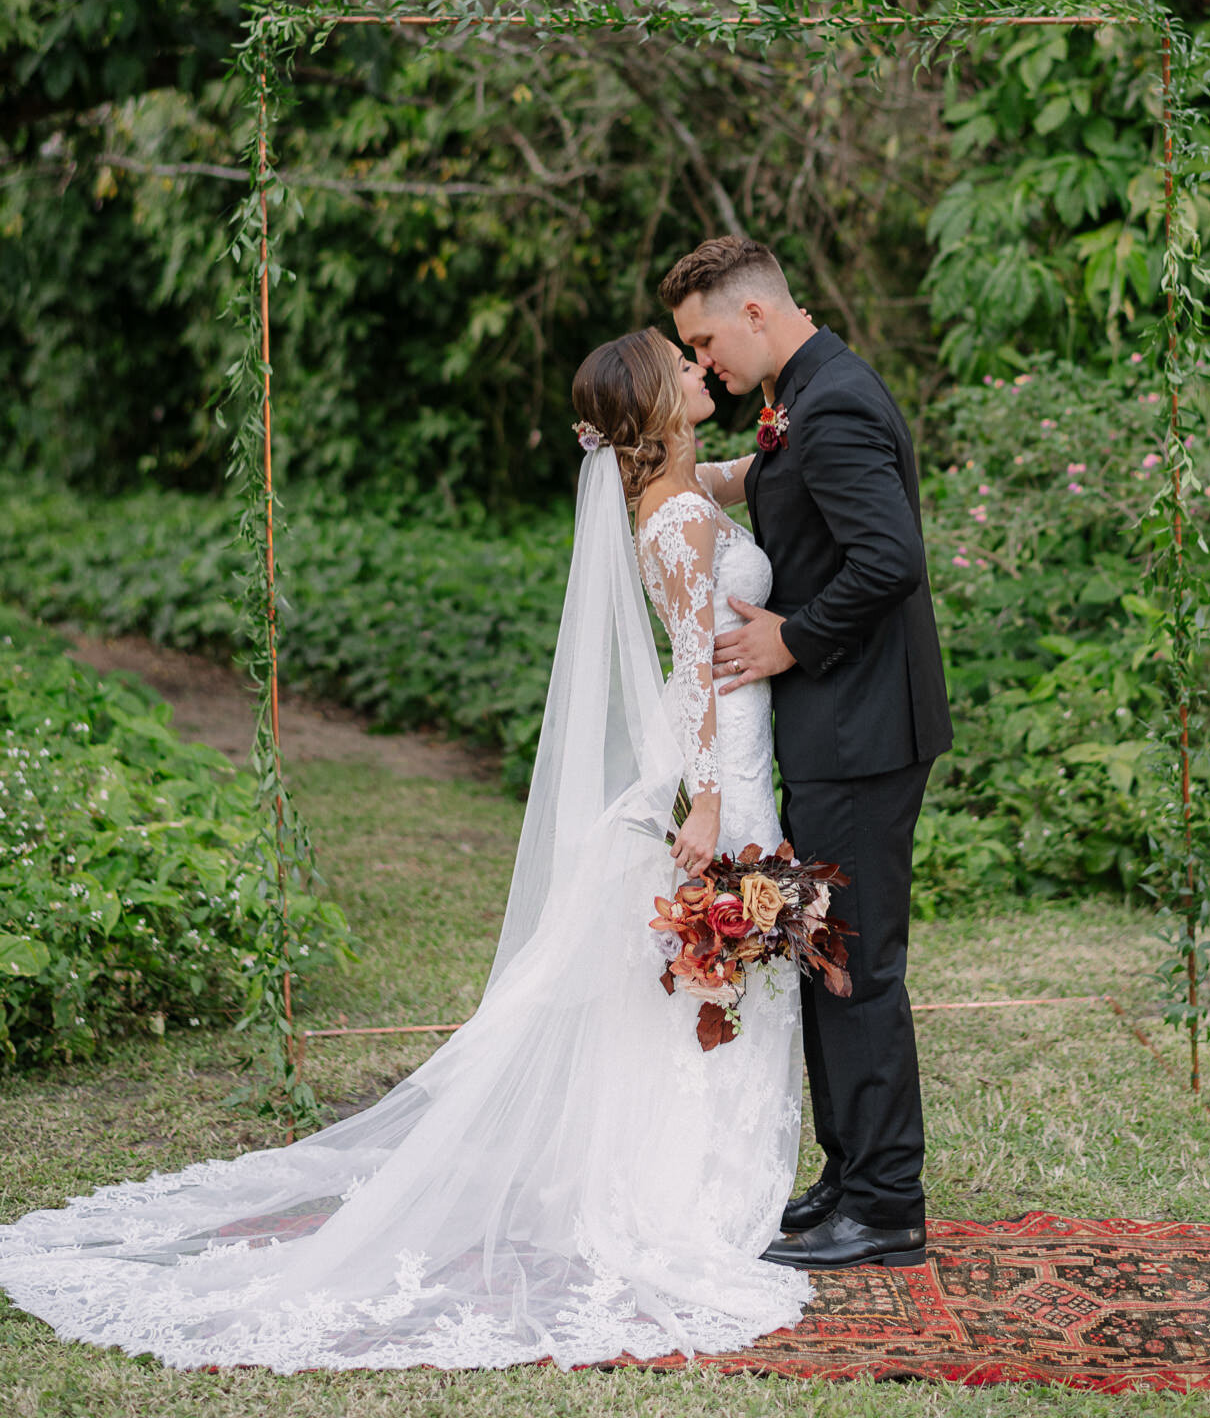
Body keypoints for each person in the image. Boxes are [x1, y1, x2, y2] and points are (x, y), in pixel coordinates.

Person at [0, 328, 809, 1372]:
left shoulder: (682, 495)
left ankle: (686, 1175)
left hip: (732, 744)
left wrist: (793, 439)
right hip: (719, 758)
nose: (704, 369)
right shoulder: (685, 521)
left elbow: (743, 474)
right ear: (657, 402)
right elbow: (700, 666)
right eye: (683, 362)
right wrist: (707, 804)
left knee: (705, 968)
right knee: (719, 960)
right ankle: (690, 1195)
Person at [660, 236, 954, 1272]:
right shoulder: (805, 394)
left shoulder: (831, 405)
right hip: (839, 730)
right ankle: (850, 1174)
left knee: (857, 967)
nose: (706, 364)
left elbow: (891, 559)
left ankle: (886, 1206)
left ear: (750, 313)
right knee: (830, 955)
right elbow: (782, 494)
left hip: (866, 733)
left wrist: (792, 635)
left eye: (703, 340)